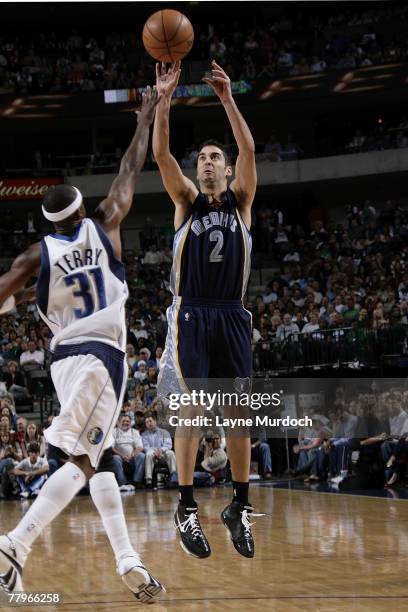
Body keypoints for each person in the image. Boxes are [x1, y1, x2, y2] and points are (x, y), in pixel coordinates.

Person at [0, 87, 165, 602]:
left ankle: (127, 558)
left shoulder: (33, 257)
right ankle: (15, 544)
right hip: (101, 359)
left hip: (64, 361)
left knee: (101, 456)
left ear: (48, 222)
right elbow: (129, 169)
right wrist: (147, 115)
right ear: (80, 209)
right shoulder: (108, 221)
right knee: (78, 460)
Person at [153, 60, 257, 558]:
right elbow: (160, 153)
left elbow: (251, 149)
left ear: (229, 167)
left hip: (232, 314)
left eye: (216, 156)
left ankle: (239, 504)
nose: (208, 162)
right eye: (203, 159)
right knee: (192, 409)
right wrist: (164, 98)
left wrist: (227, 98)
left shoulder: (241, 202)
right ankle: (187, 506)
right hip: (192, 312)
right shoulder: (186, 202)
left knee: (239, 416)